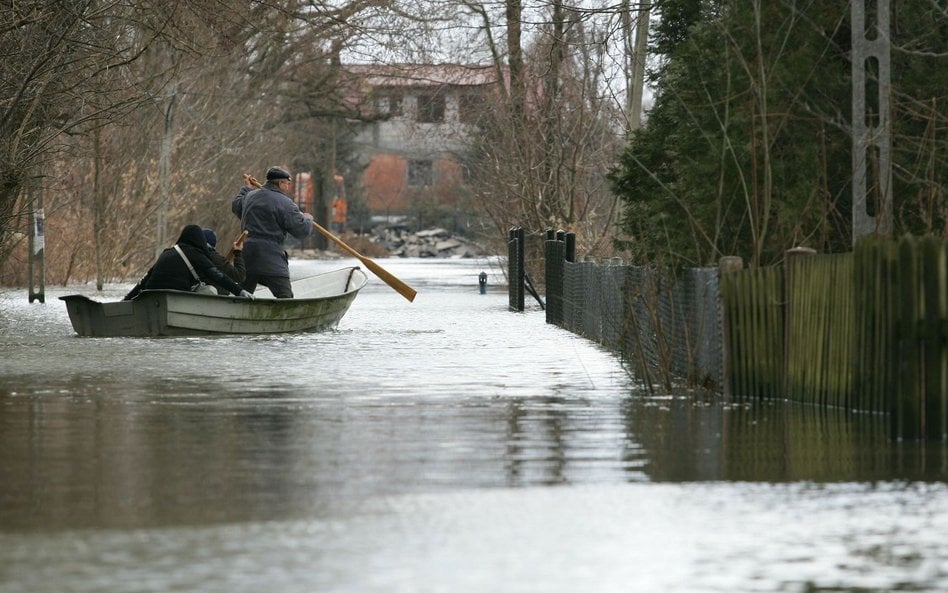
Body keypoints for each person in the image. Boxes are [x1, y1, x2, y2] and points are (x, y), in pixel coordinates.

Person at [231, 166, 313, 298]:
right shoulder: (286, 204)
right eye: (288, 183)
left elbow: (236, 206)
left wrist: (246, 189)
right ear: (280, 183)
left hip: (247, 257)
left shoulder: (249, 196)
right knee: (285, 298)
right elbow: (301, 231)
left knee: (242, 297)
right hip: (271, 259)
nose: (289, 187)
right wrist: (308, 219)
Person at [124, 224, 253, 300]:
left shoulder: (167, 252)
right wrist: (239, 291)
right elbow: (218, 276)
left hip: (149, 296)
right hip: (173, 298)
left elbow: (144, 280)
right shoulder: (197, 255)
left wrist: (126, 299)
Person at [203, 227, 246, 294]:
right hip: (217, 299)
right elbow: (239, 276)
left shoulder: (189, 254)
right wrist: (238, 252)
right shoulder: (216, 259)